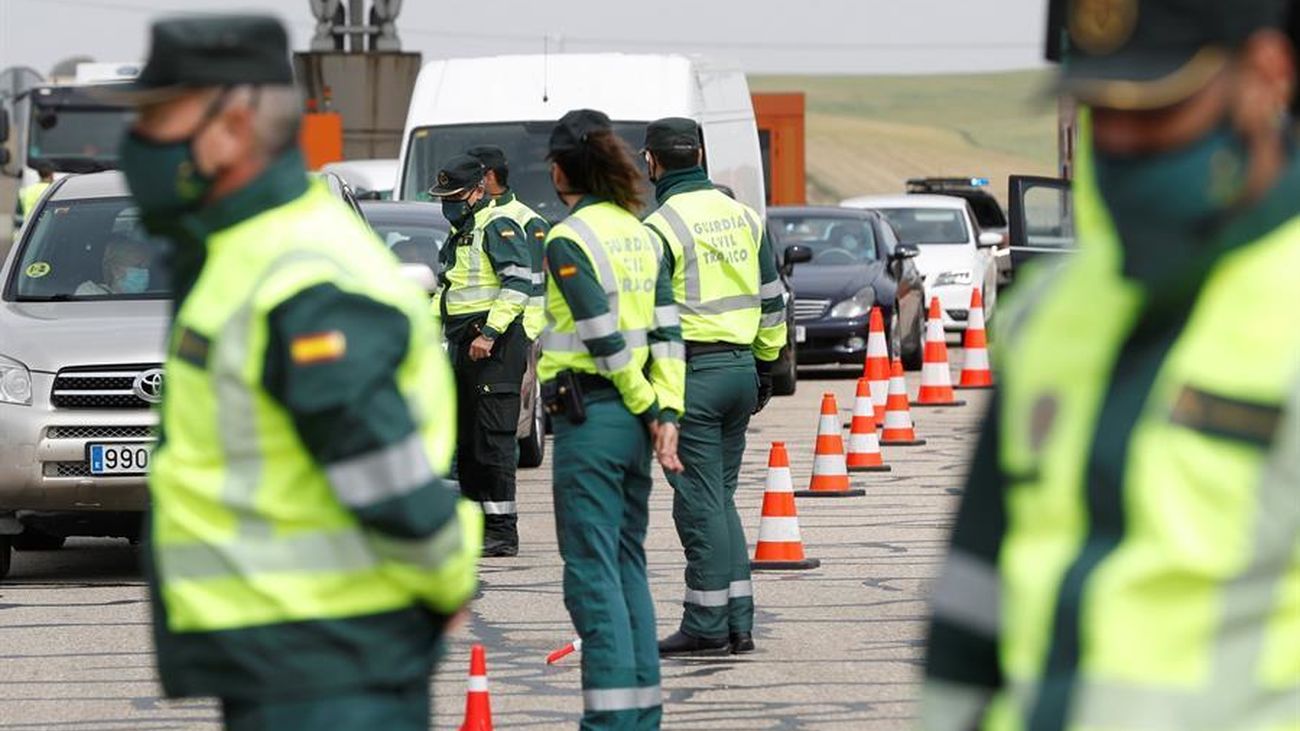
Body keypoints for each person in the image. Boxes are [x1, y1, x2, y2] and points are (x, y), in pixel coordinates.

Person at [923, 2, 1300, 730]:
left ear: (1264, 77)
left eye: (1160, 111)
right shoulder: (1053, 310)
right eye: (1100, 110)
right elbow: (974, 600)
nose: (1123, 140)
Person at [111, 15, 481, 730]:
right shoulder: (245, 251)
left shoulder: (296, 272)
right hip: (294, 651)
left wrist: (442, 575)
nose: (138, 145)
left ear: (233, 125)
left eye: (161, 119)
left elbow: (380, 460)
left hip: (331, 659)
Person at [540, 108, 686, 729]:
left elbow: (601, 334)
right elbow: (669, 334)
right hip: (635, 425)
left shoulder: (569, 238)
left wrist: (646, 405)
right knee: (628, 568)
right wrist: (666, 411)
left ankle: (606, 724)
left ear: (559, 170)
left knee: (592, 576)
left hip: (595, 417)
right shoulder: (642, 232)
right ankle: (641, 719)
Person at [641, 118, 787, 657]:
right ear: (700, 154)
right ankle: (738, 621)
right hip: (740, 373)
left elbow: (648, 319)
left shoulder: (659, 228)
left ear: (651, 162)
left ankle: (706, 624)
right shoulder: (745, 218)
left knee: (698, 505)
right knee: (719, 499)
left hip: (692, 381)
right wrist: (766, 366)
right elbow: (773, 300)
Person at [429, 154, 533, 557]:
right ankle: (475, 528)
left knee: (493, 444)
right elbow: (448, 294)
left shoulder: (497, 226)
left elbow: (518, 286)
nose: (448, 204)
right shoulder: (462, 232)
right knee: (468, 444)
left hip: (494, 349)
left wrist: (490, 333)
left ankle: (502, 531)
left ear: (477, 191)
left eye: (455, 196)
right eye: (443, 196)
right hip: (463, 348)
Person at [466, 144, 550, 341]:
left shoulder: (528, 221)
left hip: (513, 337)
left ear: (490, 177)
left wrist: (525, 337)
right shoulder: (469, 217)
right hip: (478, 335)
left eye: (470, 176)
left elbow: (538, 289)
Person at [75, 236, 154, 295]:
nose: (145, 272)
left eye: (146, 266)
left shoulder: (151, 299)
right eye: (138, 266)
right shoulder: (90, 293)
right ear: (116, 269)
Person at [15, 160, 54, 229]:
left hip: (27, 230)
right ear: (51, 174)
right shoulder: (53, 190)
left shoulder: (25, 191)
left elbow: (18, 215)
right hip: (45, 230)